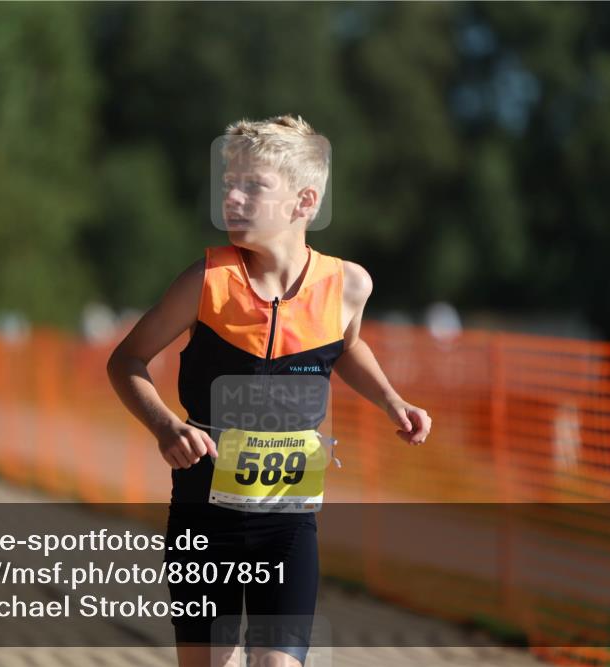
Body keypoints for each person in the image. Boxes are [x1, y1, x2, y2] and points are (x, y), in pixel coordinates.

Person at [107, 114, 432, 667]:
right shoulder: (206, 281)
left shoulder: (347, 285)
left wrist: (391, 399)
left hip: (288, 524)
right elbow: (126, 359)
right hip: (202, 519)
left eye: (253, 185)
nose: (231, 196)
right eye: (228, 182)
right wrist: (165, 426)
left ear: (304, 203)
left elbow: (347, 346)